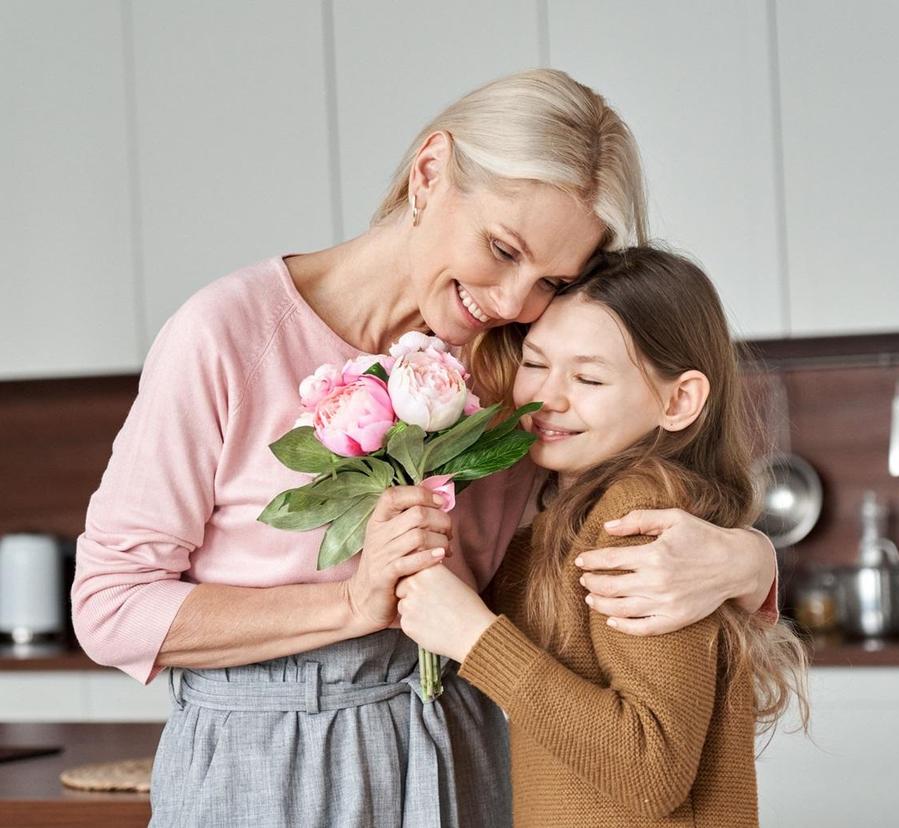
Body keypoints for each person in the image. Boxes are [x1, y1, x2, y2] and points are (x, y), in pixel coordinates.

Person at [71, 70, 778, 826]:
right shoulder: (227, 336)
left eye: (552, 280)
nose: (512, 302)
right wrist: (349, 604)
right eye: (502, 249)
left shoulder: (519, 362)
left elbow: (605, 512)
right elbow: (112, 607)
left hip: (456, 732)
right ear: (430, 172)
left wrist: (753, 561)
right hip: (265, 758)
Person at [396, 246, 810, 827]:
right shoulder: (561, 504)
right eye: (536, 364)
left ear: (678, 400)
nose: (548, 398)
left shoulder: (636, 516)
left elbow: (650, 768)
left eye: (589, 376)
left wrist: (474, 637)